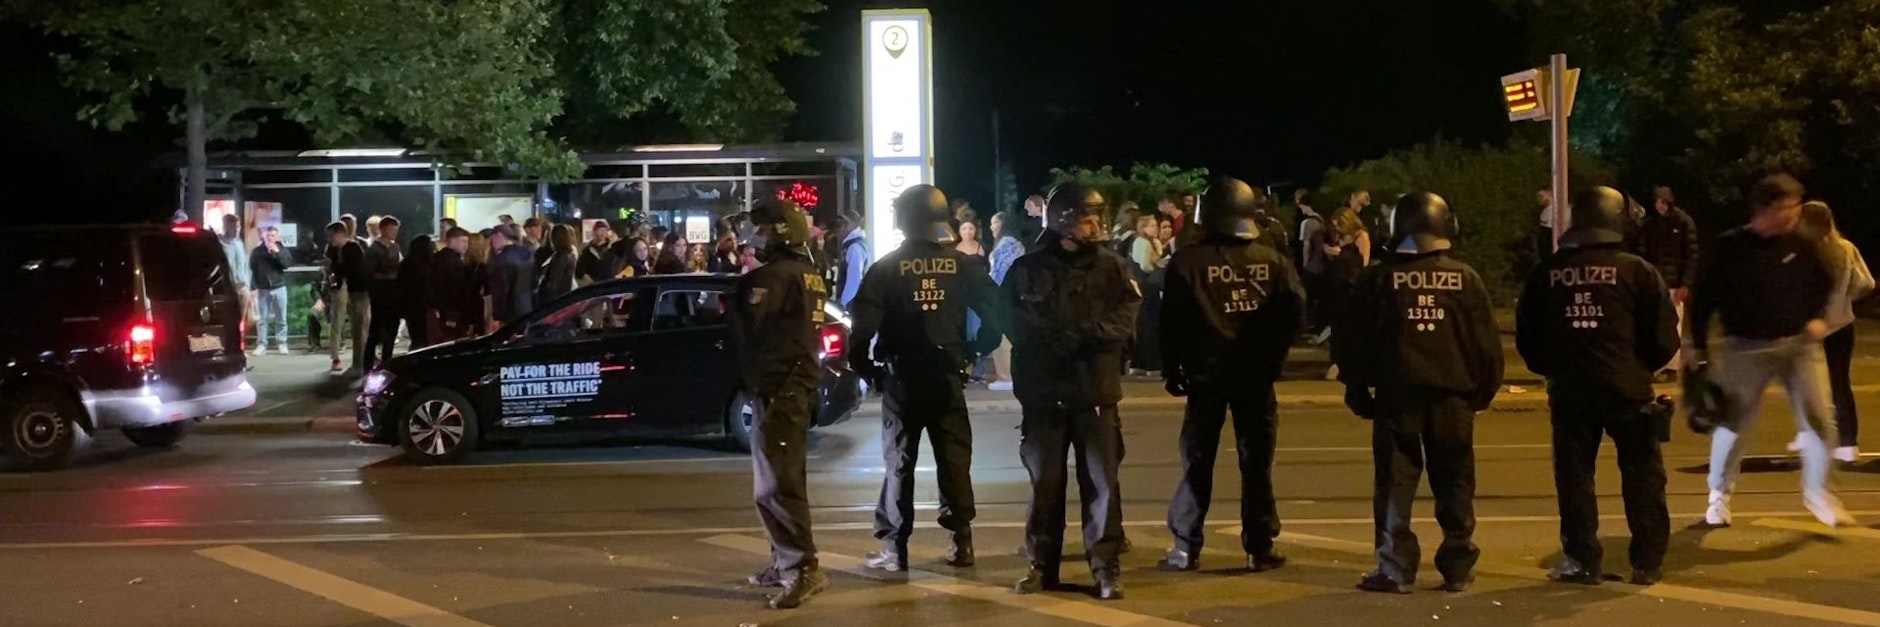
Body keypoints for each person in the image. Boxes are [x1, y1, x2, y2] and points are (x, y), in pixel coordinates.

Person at [1333, 192, 1503, 594]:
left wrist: (1356, 387)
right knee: (1456, 482)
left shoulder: (1379, 278)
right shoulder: (1466, 278)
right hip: (1453, 399)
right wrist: (1481, 393)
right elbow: (1487, 348)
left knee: (1395, 484)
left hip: (1397, 397)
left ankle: (1396, 568)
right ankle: (1457, 566)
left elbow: (1352, 340)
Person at [1516, 186, 1680, 587]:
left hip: (1571, 392)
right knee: (1642, 476)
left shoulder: (1547, 273)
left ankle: (1581, 558)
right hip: (1628, 391)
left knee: (1574, 479)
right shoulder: (1638, 271)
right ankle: (1646, 562)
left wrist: (1554, 368)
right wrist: (1635, 367)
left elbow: (1529, 338)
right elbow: (1664, 339)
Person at [849, 185, 1005, 572]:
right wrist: (973, 352)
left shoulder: (886, 268)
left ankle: (895, 548)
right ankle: (961, 543)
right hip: (947, 376)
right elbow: (996, 316)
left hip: (902, 380)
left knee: (899, 463)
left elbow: (861, 332)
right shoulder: (963, 265)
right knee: (954, 460)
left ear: (905, 220)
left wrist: (868, 371)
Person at [1158, 177, 1306, 573]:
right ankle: (1260, 545)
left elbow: (1170, 324)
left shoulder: (1187, 263)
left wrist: (1173, 368)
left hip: (1205, 377)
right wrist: (1273, 358)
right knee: (1256, 463)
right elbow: (1294, 315)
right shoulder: (1273, 261)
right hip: (1256, 378)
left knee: (1197, 461)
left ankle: (1187, 545)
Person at [1688, 174, 1853, 529]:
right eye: (1787, 206)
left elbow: (1828, 278)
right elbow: (1702, 298)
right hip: (1743, 346)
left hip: (1798, 346)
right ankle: (1719, 495)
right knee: (1733, 423)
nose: (1795, 212)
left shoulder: (1806, 244)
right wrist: (1697, 346)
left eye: (1796, 204)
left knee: (1820, 420)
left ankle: (1817, 492)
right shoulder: (1730, 247)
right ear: (1765, 209)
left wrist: (1818, 318)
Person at [1007, 183, 1141, 601]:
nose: (1097, 225)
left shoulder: (1113, 267)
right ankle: (1040, 565)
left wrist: (1085, 335)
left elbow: (1127, 317)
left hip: (1095, 392)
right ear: (1064, 219)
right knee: (1045, 483)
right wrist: (1049, 340)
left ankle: (1105, 568)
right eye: (1088, 216)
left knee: (1101, 483)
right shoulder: (1027, 269)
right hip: (1045, 394)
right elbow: (1008, 318)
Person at [729, 198, 831, 609]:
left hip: (781, 389)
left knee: (778, 484)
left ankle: (802, 567)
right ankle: (783, 559)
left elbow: (749, 326)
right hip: (788, 387)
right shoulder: (808, 274)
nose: (753, 236)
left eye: (761, 228)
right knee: (774, 481)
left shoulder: (772, 279)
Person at [1798, 201, 1873, 463]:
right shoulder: (1846, 248)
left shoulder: (1806, 251)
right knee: (1841, 383)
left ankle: (1813, 436)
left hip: (1812, 328)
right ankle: (1849, 443)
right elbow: (1867, 282)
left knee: (1809, 384)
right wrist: (1846, 299)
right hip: (1843, 324)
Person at [1637, 186, 1701, 382]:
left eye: (1663, 202)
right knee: (1654, 322)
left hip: (1674, 282)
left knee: (1674, 323)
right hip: (1656, 280)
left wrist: (1685, 284)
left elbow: (1691, 255)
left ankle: (1672, 367)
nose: (1660, 206)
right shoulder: (1649, 224)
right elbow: (1643, 251)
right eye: (1657, 202)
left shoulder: (1682, 222)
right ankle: (1657, 364)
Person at [985, 213, 1025, 391]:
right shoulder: (1011, 243)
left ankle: (1005, 376)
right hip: (1009, 297)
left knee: (1002, 338)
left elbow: (1000, 274)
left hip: (1003, 298)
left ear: (1002, 224)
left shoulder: (1007, 243)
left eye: (994, 222)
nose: (991, 227)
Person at [327, 221, 372, 375]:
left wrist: (337, 268)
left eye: (332, 235)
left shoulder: (353, 248)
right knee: (356, 328)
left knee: (360, 329)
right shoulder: (336, 250)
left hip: (360, 292)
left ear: (340, 234)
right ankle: (359, 362)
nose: (330, 239)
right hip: (352, 291)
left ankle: (361, 364)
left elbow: (356, 270)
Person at [363, 217, 405, 368]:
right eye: (392, 229)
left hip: (393, 295)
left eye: (396, 230)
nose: (395, 233)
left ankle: (387, 362)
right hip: (380, 295)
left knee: (391, 330)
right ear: (383, 229)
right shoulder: (373, 250)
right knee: (376, 331)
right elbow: (369, 273)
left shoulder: (395, 248)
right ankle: (368, 366)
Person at [430, 228, 479, 342]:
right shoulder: (456, 263)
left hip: (440, 309)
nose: (466, 246)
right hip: (455, 310)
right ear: (452, 240)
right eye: (463, 241)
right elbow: (462, 290)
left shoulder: (435, 259)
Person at [249, 225, 292, 355]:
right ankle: (262, 344)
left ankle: (282, 342)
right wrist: (253, 287)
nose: (270, 238)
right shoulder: (257, 251)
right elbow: (253, 270)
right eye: (268, 236)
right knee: (262, 319)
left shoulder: (282, 249)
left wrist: (276, 253)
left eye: (273, 236)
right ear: (263, 237)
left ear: (277, 237)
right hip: (263, 289)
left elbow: (287, 265)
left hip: (279, 287)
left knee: (281, 318)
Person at [486, 224, 535, 332]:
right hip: (526, 307)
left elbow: (501, 290)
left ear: (499, 235)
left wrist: (496, 316)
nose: (492, 243)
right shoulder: (527, 254)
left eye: (492, 239)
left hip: (509, 312)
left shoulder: (501, 259)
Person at [398, 235, 436, 349]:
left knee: (416, 336)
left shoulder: (406, 263)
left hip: (410, 305)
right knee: (426, 336)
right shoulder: (429, 263)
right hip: (425, 305)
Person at [536, 224, 578, 305]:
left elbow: (554, 283)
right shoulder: (568, 254)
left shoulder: (560, 258)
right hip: (564, 298)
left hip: (556, 301)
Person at [835, 213, 871, 308]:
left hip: (852, 304)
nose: (837, 230)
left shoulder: (854, 247)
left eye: (839, 225)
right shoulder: (853, 245)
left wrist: (844, 302)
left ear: (850, 226)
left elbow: (854, 279)